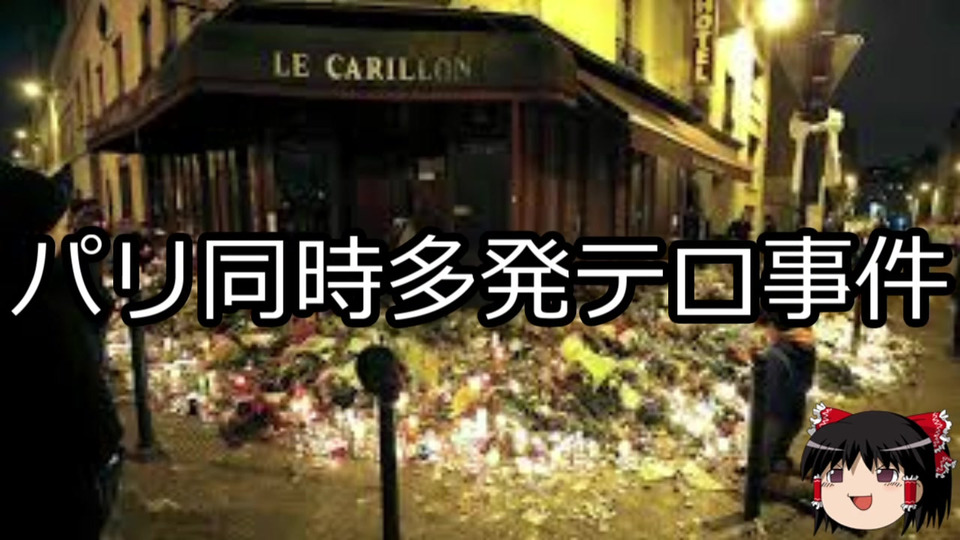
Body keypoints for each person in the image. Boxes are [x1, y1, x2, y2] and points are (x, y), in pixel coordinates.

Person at [2, 161, 123, 538]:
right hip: (58, 485)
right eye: (62, 227)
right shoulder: (45, 305)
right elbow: (85, 400)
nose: (68, 236)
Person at [754, 311, 817, 475]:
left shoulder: (791, 349)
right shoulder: (781, 352)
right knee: (781, 419)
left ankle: (772, 462)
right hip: (787, 353)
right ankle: (768, 465)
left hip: (794, 350)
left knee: (789, 420)